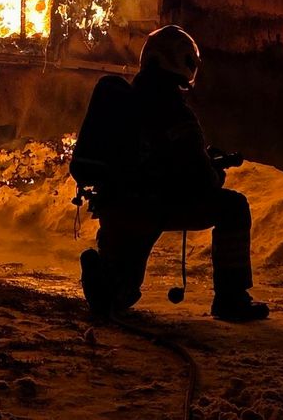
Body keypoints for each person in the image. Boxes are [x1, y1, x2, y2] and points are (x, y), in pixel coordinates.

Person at [75, 25, 269, 322]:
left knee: (122, 293)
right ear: (182, 63)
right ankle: (231, 299)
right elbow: (202, 179)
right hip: (159, 206)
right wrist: (216, 172)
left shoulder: (122, 101)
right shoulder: (176, 112)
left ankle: (103, 276)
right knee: (233, 207)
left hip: (118, 206)